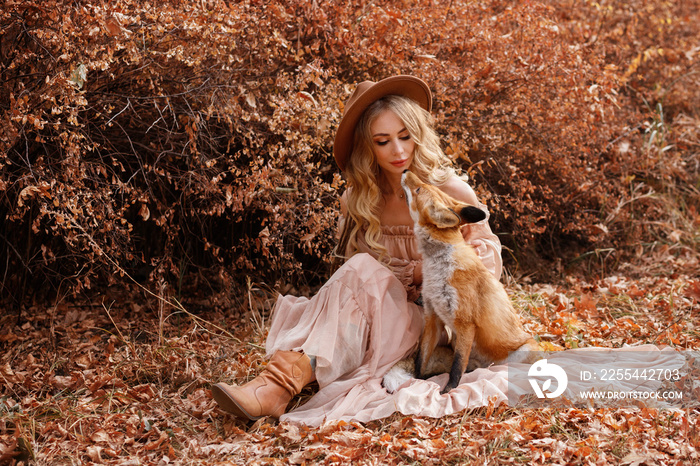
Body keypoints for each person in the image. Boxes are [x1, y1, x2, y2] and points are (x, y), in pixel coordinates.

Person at [211, 75, 503, 424]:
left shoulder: (450, 191)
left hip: (431, 324)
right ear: (368, 148)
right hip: (380, 318)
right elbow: (356, 281)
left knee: (363, 269)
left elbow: (487, 272)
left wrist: (427, 270)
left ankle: (275, 386)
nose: (398, 151)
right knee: (358, 270)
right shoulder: (359, 200)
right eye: (383, 141)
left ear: (418, 136)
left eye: (405, 137)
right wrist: (400, 275)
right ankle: (276, 385)